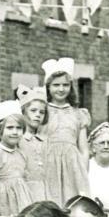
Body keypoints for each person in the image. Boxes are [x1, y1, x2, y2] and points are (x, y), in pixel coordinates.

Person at [40, 58, 91, 204]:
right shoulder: (42, 111)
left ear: (71, 87)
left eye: (65, 85)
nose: (61, 89)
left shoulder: (78, 113)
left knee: (72, 205)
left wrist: (82, 172)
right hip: (48, 164)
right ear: (48, 87)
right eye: (56, 85)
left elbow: (84, 149)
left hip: (72, 167)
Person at [0, 101, 33, 217]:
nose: (15, 132)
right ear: (0, 130)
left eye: (18, 128)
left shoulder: (21, 153)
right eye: (10, 128)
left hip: (22, 199)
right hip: (3, 199)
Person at [16, 84, 49, 203]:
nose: (38, 115)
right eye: (33, 111)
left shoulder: (45, 141)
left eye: (42, 112)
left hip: (46, 192)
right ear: (24, 112)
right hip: (26, 193)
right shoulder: (18, 140)